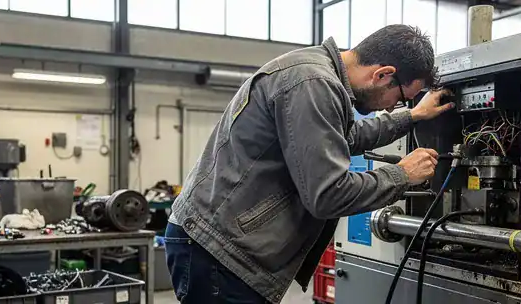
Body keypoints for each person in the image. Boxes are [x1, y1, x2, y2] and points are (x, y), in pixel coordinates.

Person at [164, 24, 454, 303]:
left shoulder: (317, 72)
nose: (392, 106)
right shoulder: (314, 84)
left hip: (220, 242)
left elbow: (344, 136)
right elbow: (329, 194)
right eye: (401, 98)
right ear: (382, 74)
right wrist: (402, 174)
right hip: (220, 250)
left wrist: (412, 116)